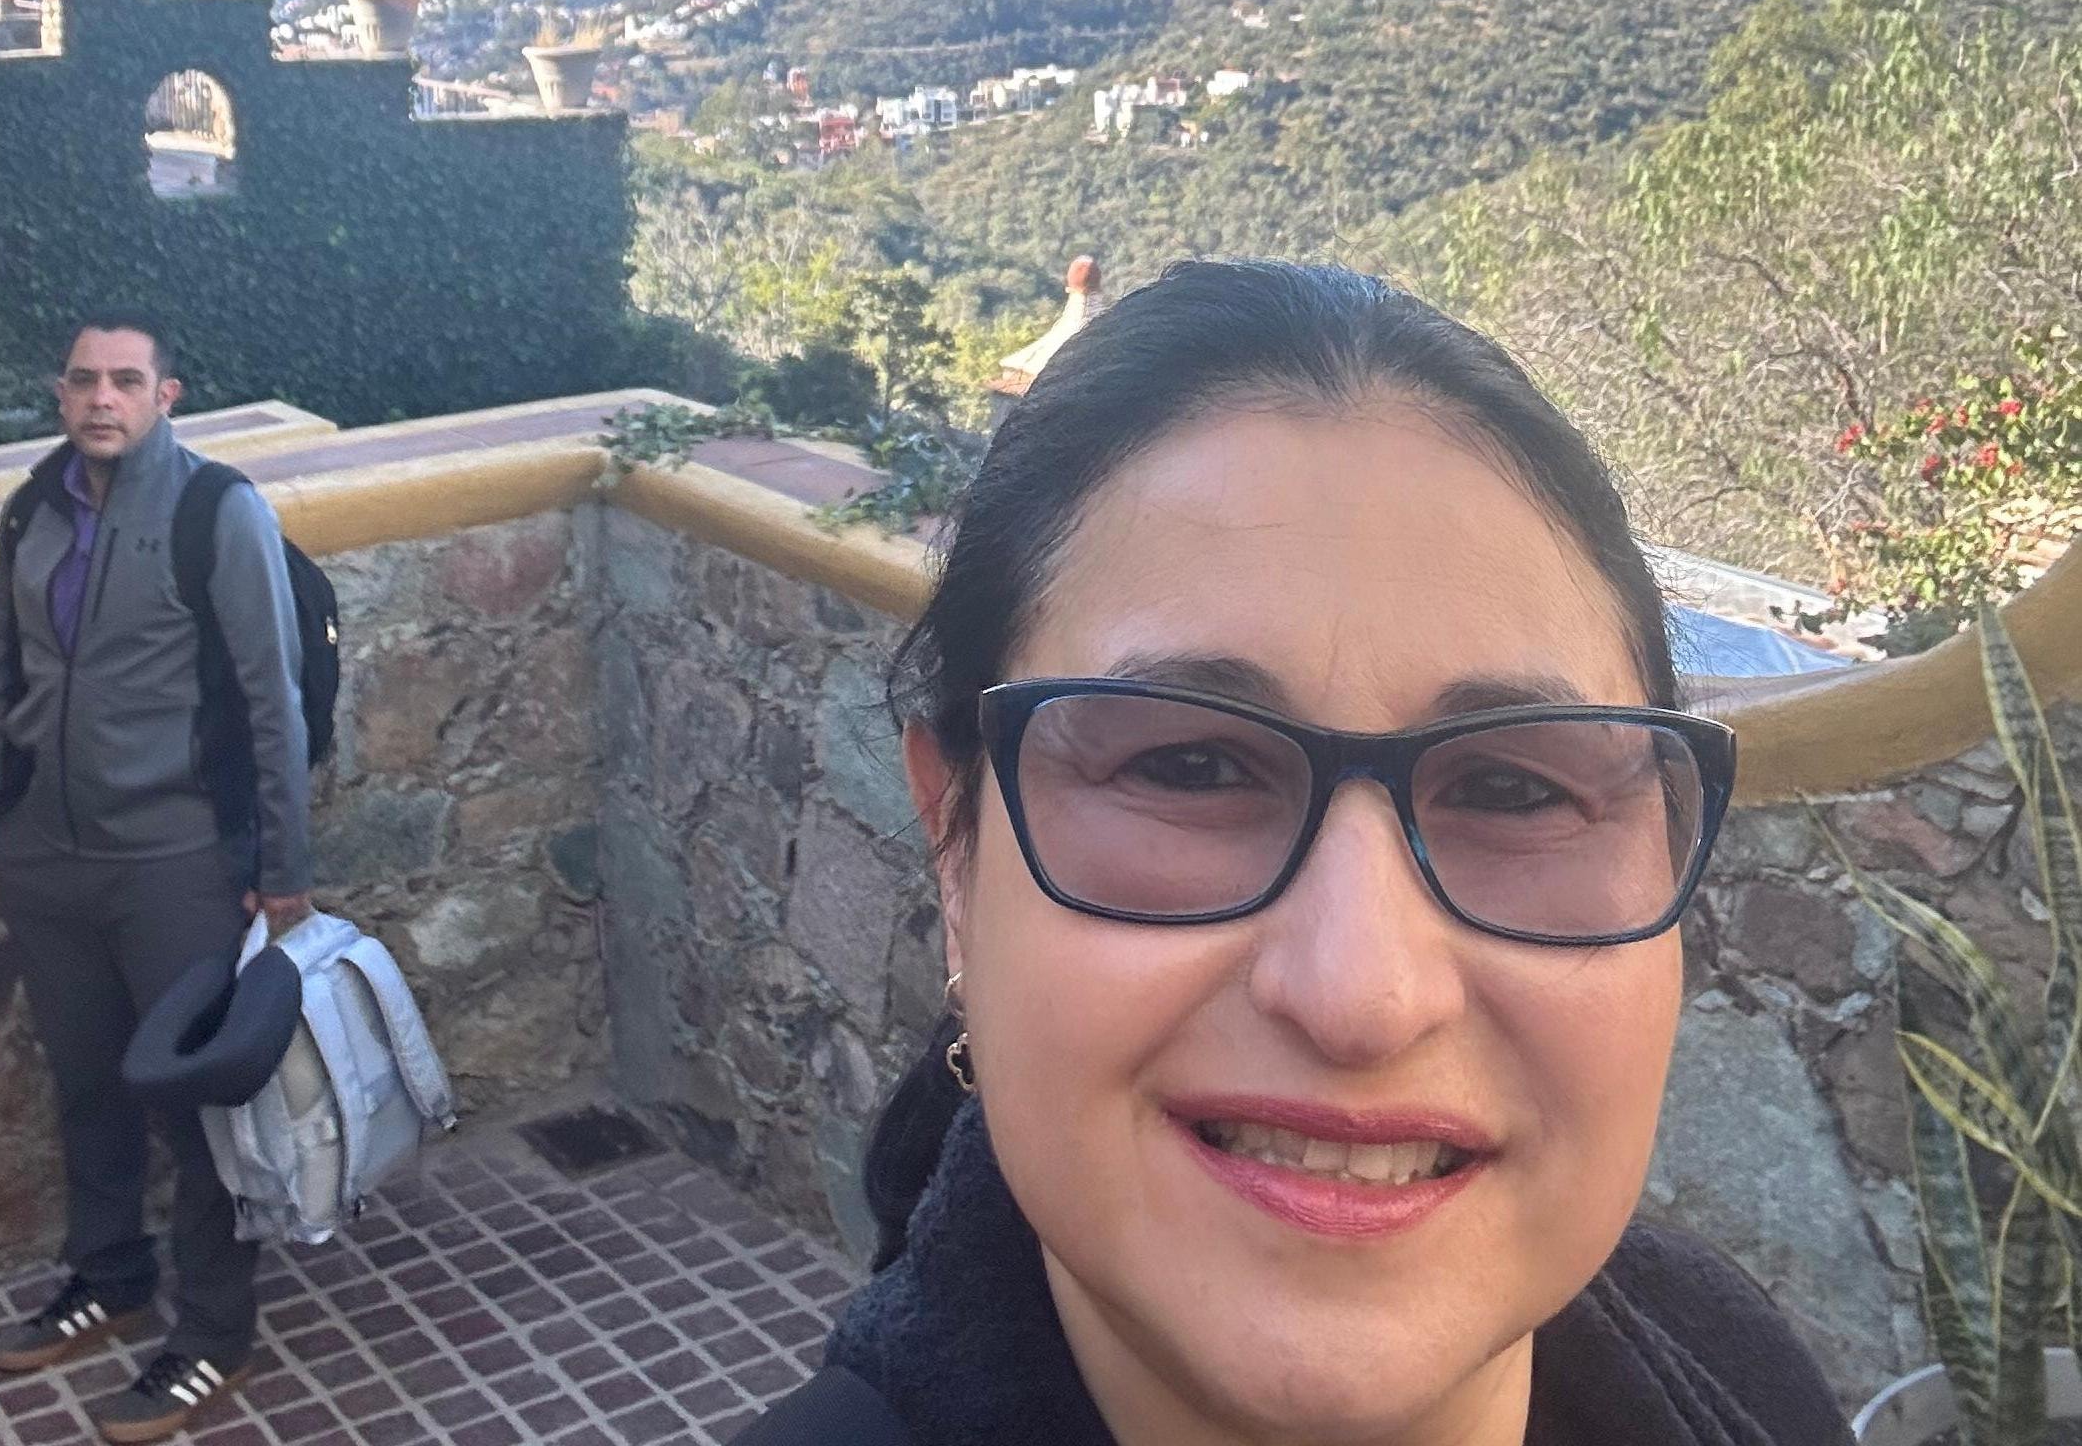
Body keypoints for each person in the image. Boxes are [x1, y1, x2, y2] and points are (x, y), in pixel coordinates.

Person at [744, 261, 1847, 1446]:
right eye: (1189, 767)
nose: (1362, 994)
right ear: (956, 851)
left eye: (1514, 789)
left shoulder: (1739, 1369)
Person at [0, 312, 313, 1445]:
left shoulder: (218, 509)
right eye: (83, 379)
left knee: (200, 1107)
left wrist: (282, 868)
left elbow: (272, 700)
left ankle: (215, 1332)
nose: (101, 398)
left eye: (126, 380)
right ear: (61, 392)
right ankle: (110, 1275)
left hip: (175, 860)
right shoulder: (33, 506)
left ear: (167, 395)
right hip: (48, 857)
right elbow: (5, 667)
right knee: (86, 1083)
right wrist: (5, 806)